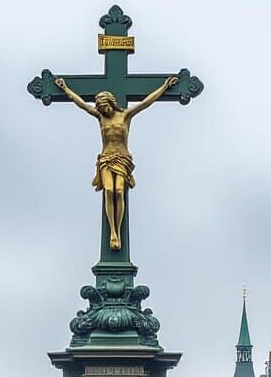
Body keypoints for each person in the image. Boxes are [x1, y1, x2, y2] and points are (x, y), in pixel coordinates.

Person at [54, 74, 179, 252]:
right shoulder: (100, 118)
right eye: (100, 108)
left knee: (119, 191)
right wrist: (66, 89)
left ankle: (117, 233)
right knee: (109, 191)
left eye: (105, 107)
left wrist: (165, 87)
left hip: (122, 158)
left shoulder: (125, 116)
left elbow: (145, 103)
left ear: (111, 103)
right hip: (105, 158)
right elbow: (81, 104)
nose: (103, 111)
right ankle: (113, 232)